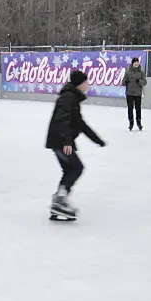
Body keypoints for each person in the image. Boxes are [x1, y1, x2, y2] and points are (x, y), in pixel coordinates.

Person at [45, 70, 106, 220]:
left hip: (58, 139)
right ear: (79, 84)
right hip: (60, 140)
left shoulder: (72, 98)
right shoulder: (68, 97)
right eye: (86, 82)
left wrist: (97, 140)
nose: (88, 85)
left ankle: (58, 201)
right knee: (77, 167)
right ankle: (60, 200)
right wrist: (66, 141)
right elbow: (62, 119)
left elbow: (81, 124)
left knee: (69, 169)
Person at [121, 57, 147, 130]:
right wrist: (125, 82)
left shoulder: (141, 72)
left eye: (137, 62)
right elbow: (123, 82)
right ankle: (131, 122)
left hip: (138, 93)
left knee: (138, 108)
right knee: (130, 108)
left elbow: (145, 82)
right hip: (129, 93)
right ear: (132, 63)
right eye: (135, 62)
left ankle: (139, 122)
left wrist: (139, 81)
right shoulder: (128, 72)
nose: (136, 63)